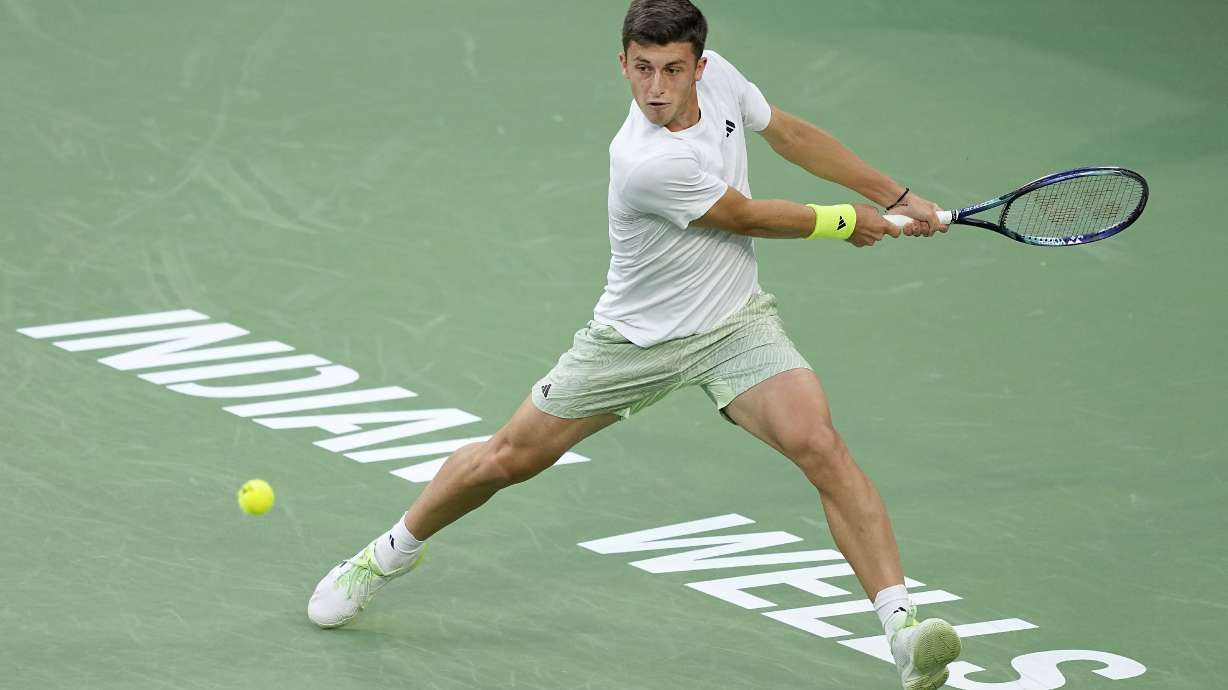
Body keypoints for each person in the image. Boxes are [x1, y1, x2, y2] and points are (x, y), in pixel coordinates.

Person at [309, 1, 960, 687]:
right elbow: (740, 215)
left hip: (735, 325)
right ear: (622, 63)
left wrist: (896, 192)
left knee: (821, 447)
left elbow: (790, 135)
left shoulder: (725, 83)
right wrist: (843, 221)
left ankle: (903, 633)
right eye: (642, 69)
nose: (656, 88)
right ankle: (387, 553)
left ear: (700, 67)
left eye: (673, 70)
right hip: (635, 342)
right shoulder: (645, 160)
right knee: (505, 460)